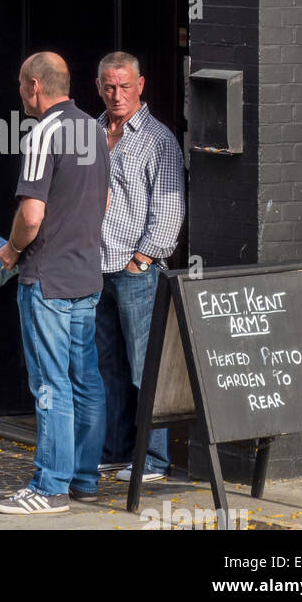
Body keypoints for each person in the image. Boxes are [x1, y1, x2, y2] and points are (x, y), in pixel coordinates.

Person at [0, 52, 110, 516]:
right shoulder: (94, 130)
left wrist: (12, 250)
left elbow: (31, 214)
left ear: (36, 87)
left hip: (47, 277)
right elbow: (101, 203)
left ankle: (49, 485)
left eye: (22, 84)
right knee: (87, 381)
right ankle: (83, 478)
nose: (19, 93)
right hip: (87, 271)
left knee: (50, 385)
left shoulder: (44, 132)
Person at [94, 50, 185, 485]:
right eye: (110, 86)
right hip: (93, 268)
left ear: (140, 86)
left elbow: (169, 210)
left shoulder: (158, 140)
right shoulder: (89, 134)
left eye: (124, 86)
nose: (117, 94)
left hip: (136, 272)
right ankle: (114, 452)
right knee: (105, 366)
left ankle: (152, 459)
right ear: (99, 87)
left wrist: (140, 260)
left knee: (144, 367)